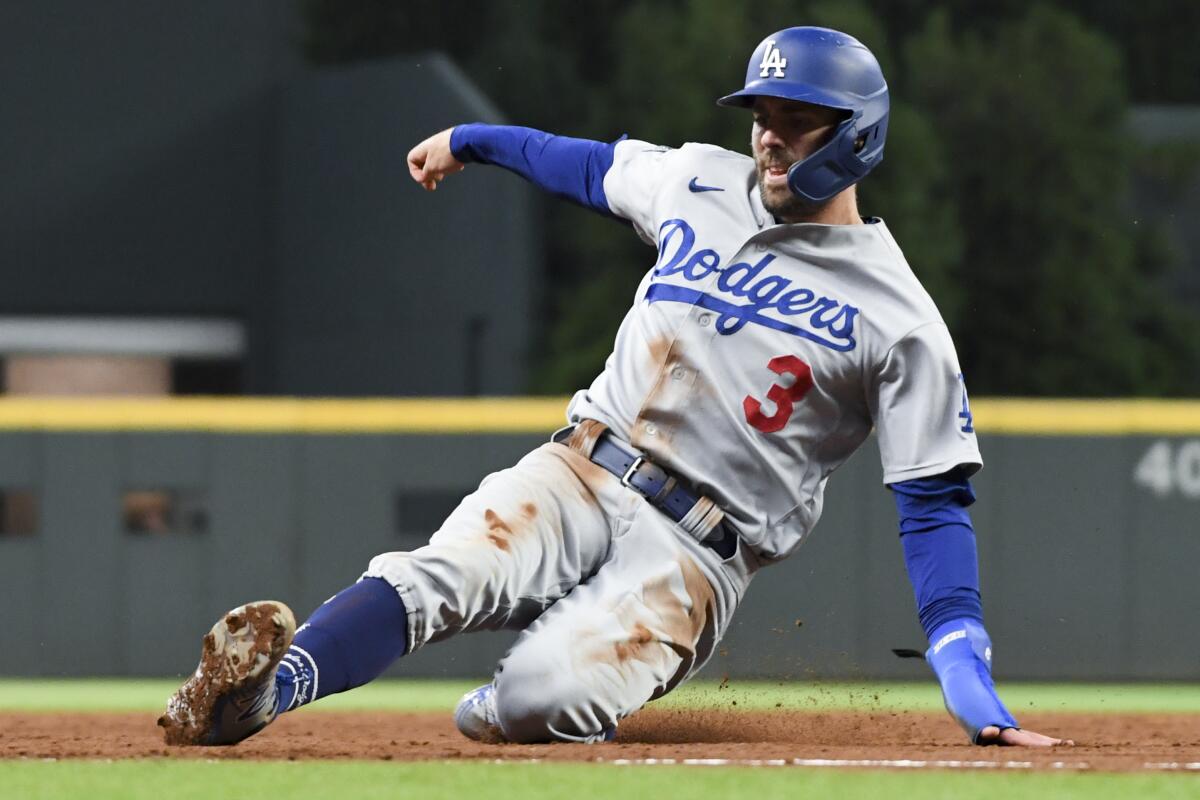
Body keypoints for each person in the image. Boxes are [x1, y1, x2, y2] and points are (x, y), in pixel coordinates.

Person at [159, 26, 1070, 748]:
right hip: (583, 469)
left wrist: (964, 667)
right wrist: (467, 140)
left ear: (856, 134)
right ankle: (260, 698)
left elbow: (934, 505)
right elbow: (584, 164)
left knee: (532, 700)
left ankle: (525, 692)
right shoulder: (699, 182)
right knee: (433, 575)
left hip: (695, 555)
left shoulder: (900, 315)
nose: (768, 134)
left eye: (798, 115)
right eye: (761, 110)